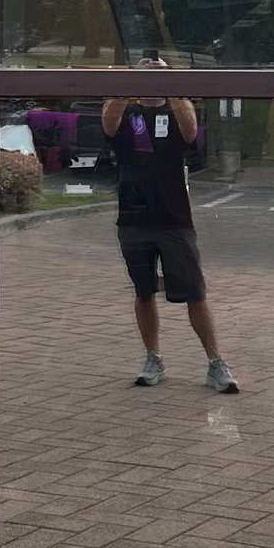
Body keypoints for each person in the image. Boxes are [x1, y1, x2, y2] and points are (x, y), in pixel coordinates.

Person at [101, 89, 240, 393]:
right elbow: (108, 122)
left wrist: (172, 83)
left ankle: (216, 363)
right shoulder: (126, 113)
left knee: (195, 292)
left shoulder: (175, 112)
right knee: (144, 291)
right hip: (133, 220)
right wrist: (132, 81)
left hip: (175, 221)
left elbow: (190, 132)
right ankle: (153, 358)